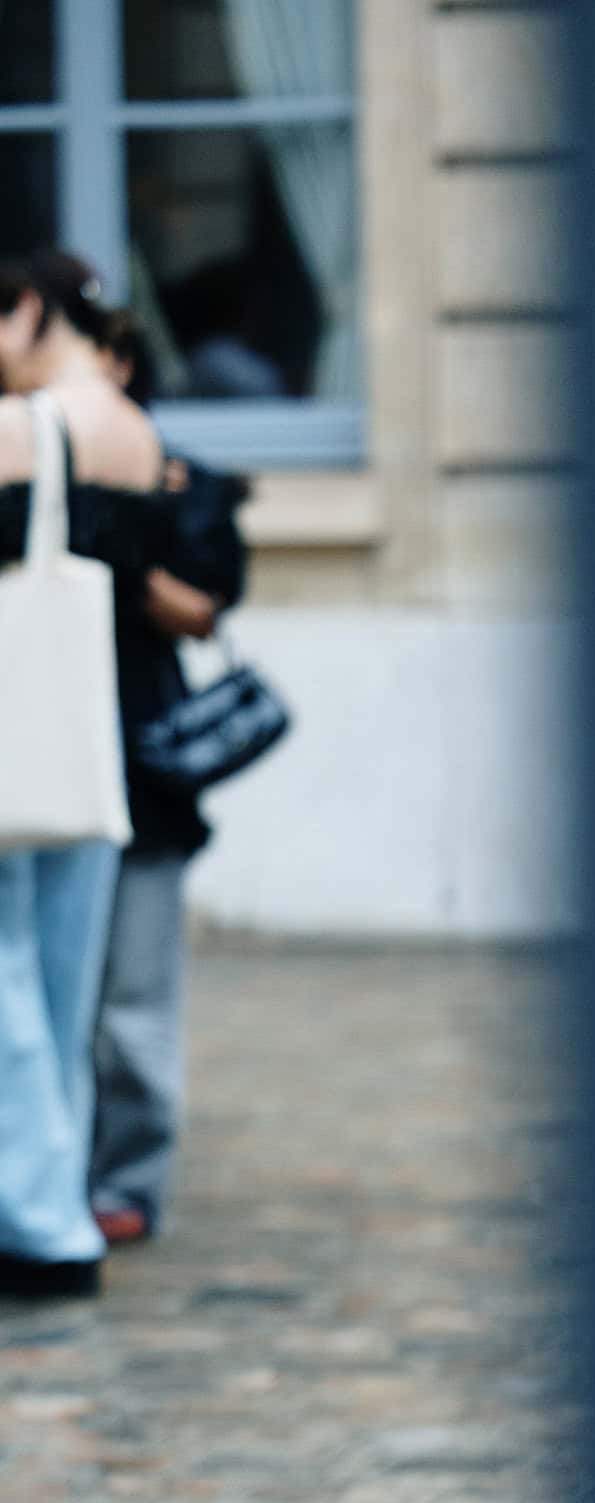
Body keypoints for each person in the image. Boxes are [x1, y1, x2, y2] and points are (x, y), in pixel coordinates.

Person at [0, 250, 165, 1299]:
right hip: (90, 738)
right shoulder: (133, 428)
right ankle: (51, 1200)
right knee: (62, 993)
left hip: (14, 734)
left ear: (28, 311)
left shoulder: (23, 426)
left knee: (9, 983)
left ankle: (42, 1223)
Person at [90, 308, 251, 1246]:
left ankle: (125, 1182)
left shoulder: (179, 478)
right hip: (40, 759)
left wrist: (122, 542)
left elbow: (204, 608)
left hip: (140, 765)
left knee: (133, 1001)